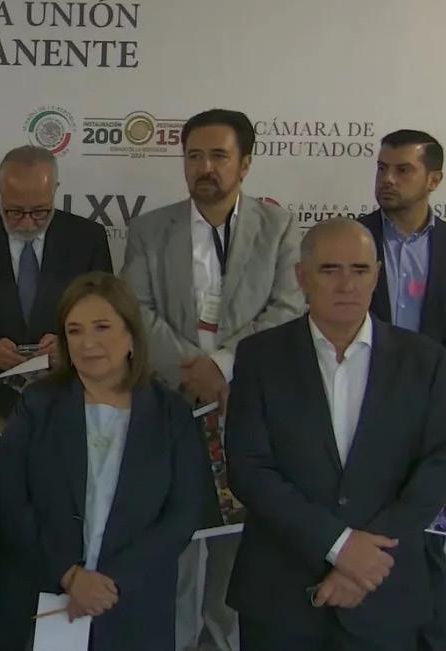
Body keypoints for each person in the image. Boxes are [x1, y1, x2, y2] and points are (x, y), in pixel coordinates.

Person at [120, 108, 304, 651]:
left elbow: (288, 309)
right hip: (170, 405)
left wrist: (221, 366)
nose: (205, 167)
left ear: (244, 164)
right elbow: (136, 311)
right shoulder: (150, 229)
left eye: (219, 156)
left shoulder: (279, 228)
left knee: (235, 545)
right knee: (172, 538)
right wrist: (192, 369)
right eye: (194, 156)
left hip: (247, 408)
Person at [226, 218, 446, 650]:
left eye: (360, 269)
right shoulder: (260, 357)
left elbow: (436, 467)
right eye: (330, 270)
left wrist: (364, 561)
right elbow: (249, 469)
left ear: (377, 275)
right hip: (282, 597)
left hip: (386, 592)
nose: (347, 284)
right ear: (302, 277)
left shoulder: (424, 361)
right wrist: (339, 546)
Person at [0, 271, 207, 650]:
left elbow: (183, 514)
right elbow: (9, 499)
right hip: (48, 599)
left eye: (102, 327)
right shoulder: (36, 404)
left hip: (134, 604)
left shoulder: (170, 413)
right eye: (74, 331)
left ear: (131, 335)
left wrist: (110, 582)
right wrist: (69, 575)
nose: (87, 343)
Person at [0, 145, 111, 648]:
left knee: (63, 530)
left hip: (65, 411)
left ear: (56, 193)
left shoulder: (87, 238)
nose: (27, 222)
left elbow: (106, 316)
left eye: (40, 211)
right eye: (14, 211)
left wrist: (70, 343)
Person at [358, 129, 446, 651]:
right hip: (359, 417)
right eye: (382, 168)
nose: (388, 179)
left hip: (438, 420)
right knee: (363, 539)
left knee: (429, 547)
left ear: (434, 179)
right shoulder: (351, 239)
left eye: (403, 170)